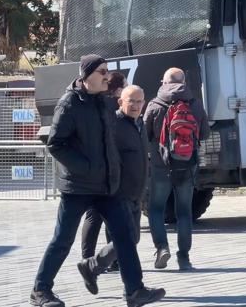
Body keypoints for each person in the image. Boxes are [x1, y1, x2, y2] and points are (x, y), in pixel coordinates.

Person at [29, 54, 164, 307]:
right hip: (78, 186)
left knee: (125, 235)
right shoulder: (68, 103)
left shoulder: (102, 103)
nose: (106, 76)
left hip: (105, 186)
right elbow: (56, 144)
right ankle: (40, 291)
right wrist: (86, 168)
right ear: (86, 75)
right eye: (102, 71)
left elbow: (111, 141)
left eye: (106, 71)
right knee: (62, 239)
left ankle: (135, 291)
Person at [78, 85, 149, 295]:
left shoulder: (139, 124)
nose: (136, 106)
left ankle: (92, 266)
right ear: (120, 102)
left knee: (132, 238)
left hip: (136, 194)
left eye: (139, 101)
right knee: (127, 239)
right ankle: (133, 289)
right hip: (119, 195)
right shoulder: (113, 125)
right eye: (131, 101)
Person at [144, 67, 210, 271]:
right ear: (183, 82)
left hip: (160, 167)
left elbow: (144, 135)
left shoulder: (154, 105)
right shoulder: (195, 105)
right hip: (187, 166)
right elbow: (205, 134)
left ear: (164, 82)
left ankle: (162, 248)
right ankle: (184, 258)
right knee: (184, 212)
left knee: (156, 209)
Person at [80, 71, 127, 264]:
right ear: (117, 90)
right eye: (125, 86)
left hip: (95, 169)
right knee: (108, 216)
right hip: (109, 170)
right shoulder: (114, 111)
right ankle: (108, 260)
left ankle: (87, 258)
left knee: (94, 216)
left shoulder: (96, 105)